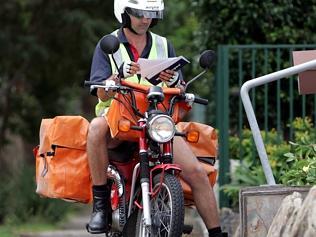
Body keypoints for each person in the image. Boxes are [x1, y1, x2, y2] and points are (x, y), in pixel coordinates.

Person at [86, 0, 226, 236]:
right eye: (140, 14)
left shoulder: (163, 44)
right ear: (125, 13)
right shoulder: (107, 44)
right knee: (95, 128)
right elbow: (100, 90)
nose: (145, 20)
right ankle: (100, 207)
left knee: (198, 172)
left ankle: (217, 233)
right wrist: (116, 79)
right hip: (118, 119)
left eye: (150, 14)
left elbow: (179, 86)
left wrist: (172, 80)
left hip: (156, 120)